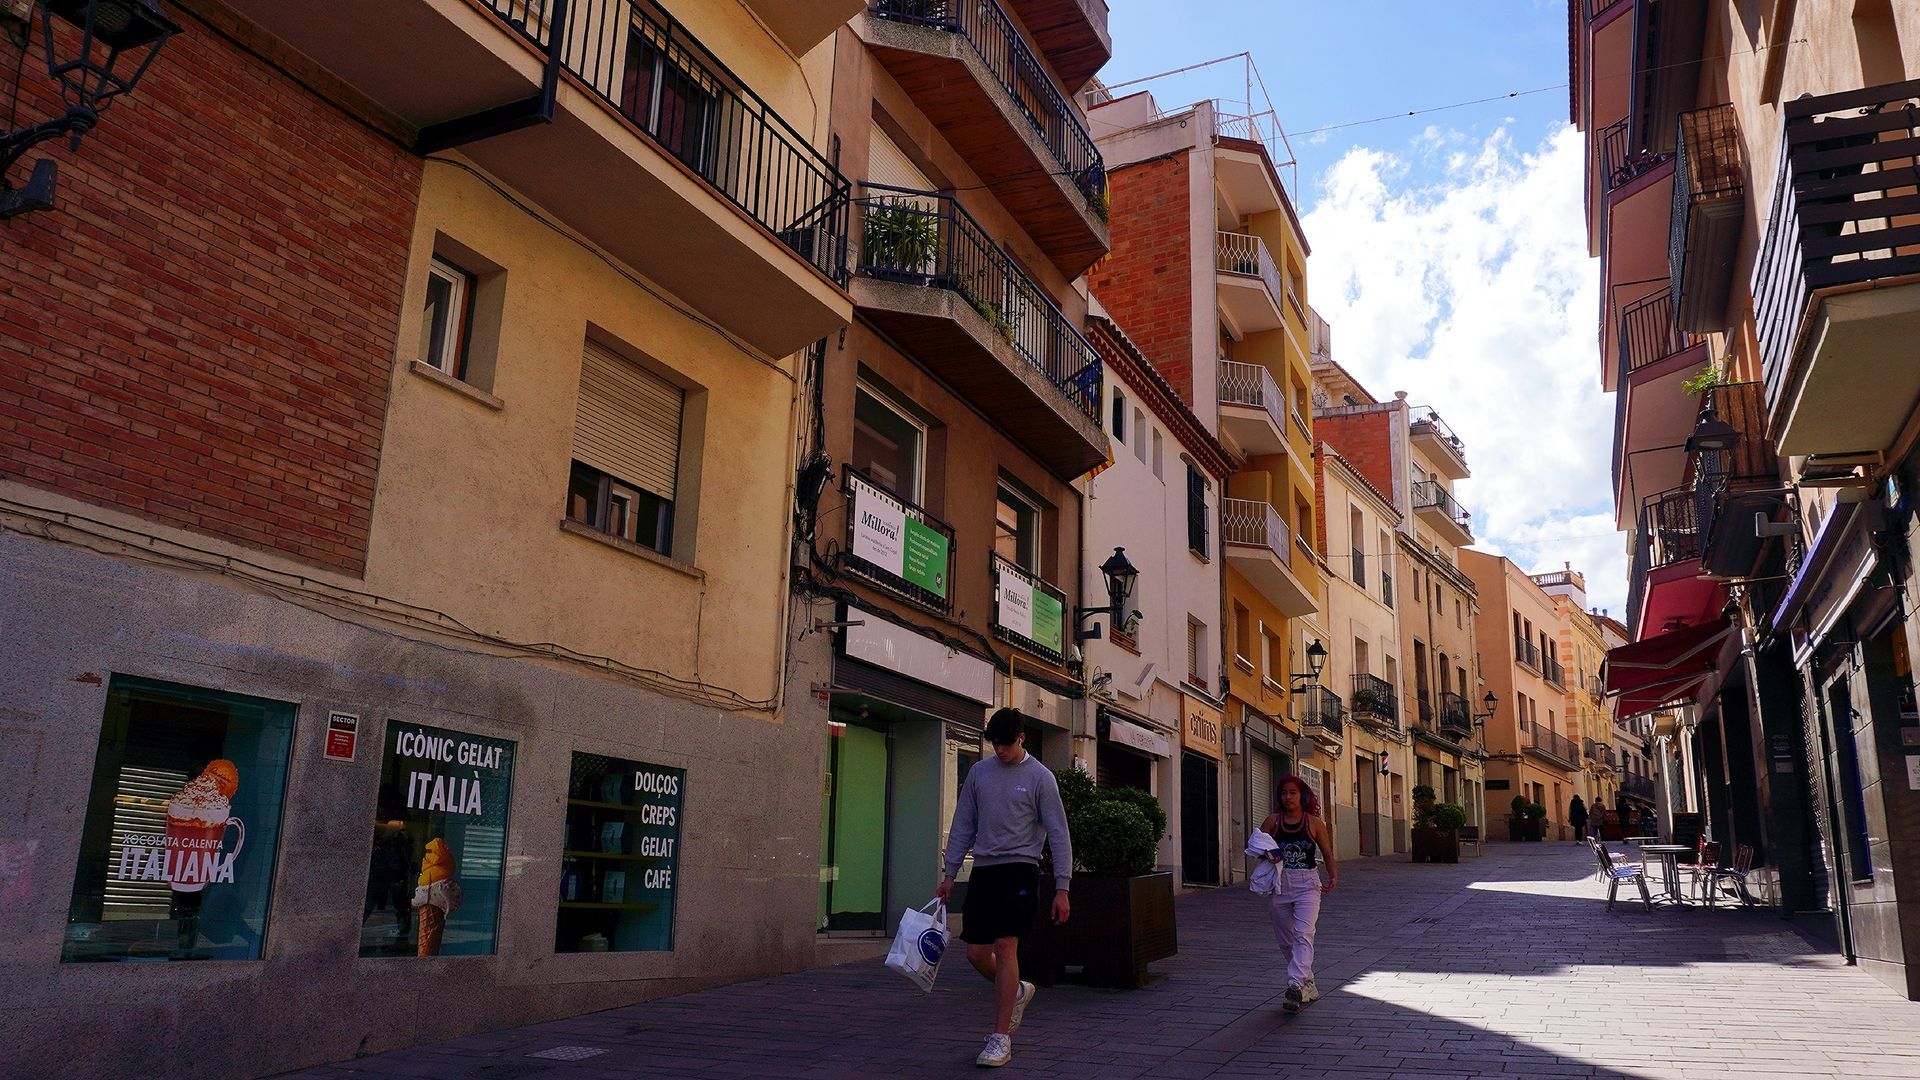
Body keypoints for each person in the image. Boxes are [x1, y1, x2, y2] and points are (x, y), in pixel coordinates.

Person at [936, 709, 1073, 1069]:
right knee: (976, 953)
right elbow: (963, 824)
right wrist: (949, 876)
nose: (1000, 750)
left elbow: (1059, 833)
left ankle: (1001, 1038)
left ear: (1021, 738)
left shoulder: (1040, 777)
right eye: (995, 743)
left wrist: (1062, 887)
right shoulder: (979, 774)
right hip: (984, 870)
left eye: (1006, 744)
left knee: (1005, 946)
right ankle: (1018, 990)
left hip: (1020, 871)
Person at [1260, 774, 1338, 1013]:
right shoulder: (1272, 822)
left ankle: (1294, 984)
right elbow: (1258, 849)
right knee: (1286, 940)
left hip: (1307, 884)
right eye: (1284, 793)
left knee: (1304, 933)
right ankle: (1307, 983)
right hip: (1280, 884)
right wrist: (1266, 855)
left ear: (1302, 796)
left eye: (1293, 793)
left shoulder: (1314, 823)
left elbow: (1327, 852)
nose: (1288, 797)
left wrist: (1333, 876)